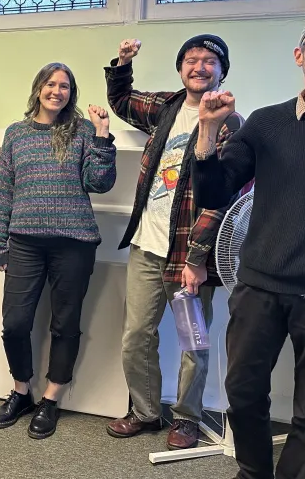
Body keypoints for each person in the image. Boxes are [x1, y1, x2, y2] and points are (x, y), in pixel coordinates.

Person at [191, 11, 305, 479]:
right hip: (260, 287)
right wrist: (209, 132)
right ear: (300, 55)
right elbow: (214, 193)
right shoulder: (265, 124)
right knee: (244, 393)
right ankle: (254, 472)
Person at [103, 35, 244, 450]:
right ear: (181, 68)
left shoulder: (230, 122)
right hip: (146, 248)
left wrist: (198, 257)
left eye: (209, 61)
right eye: (191, 60)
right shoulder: (166, 107)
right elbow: (124, 100)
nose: (199, 67)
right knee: (136, 336)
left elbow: (222, 199)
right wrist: (123, 61)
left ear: (222, 71)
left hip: (190, 258)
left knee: (192, 342)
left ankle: (187, 418)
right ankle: (146, 412)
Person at [0, 62, 116, 439]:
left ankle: (51, 398)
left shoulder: (82, 132)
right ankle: (21, 391)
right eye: (50, 83)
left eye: (64, 86)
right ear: (38, 88)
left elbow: (99, 182)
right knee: (14, 324)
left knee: (65, 325)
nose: (56, 91)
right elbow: (4, 191)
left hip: (74, 244)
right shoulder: (16, 133)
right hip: (24, 242)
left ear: (70, 93)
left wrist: (103, 136)